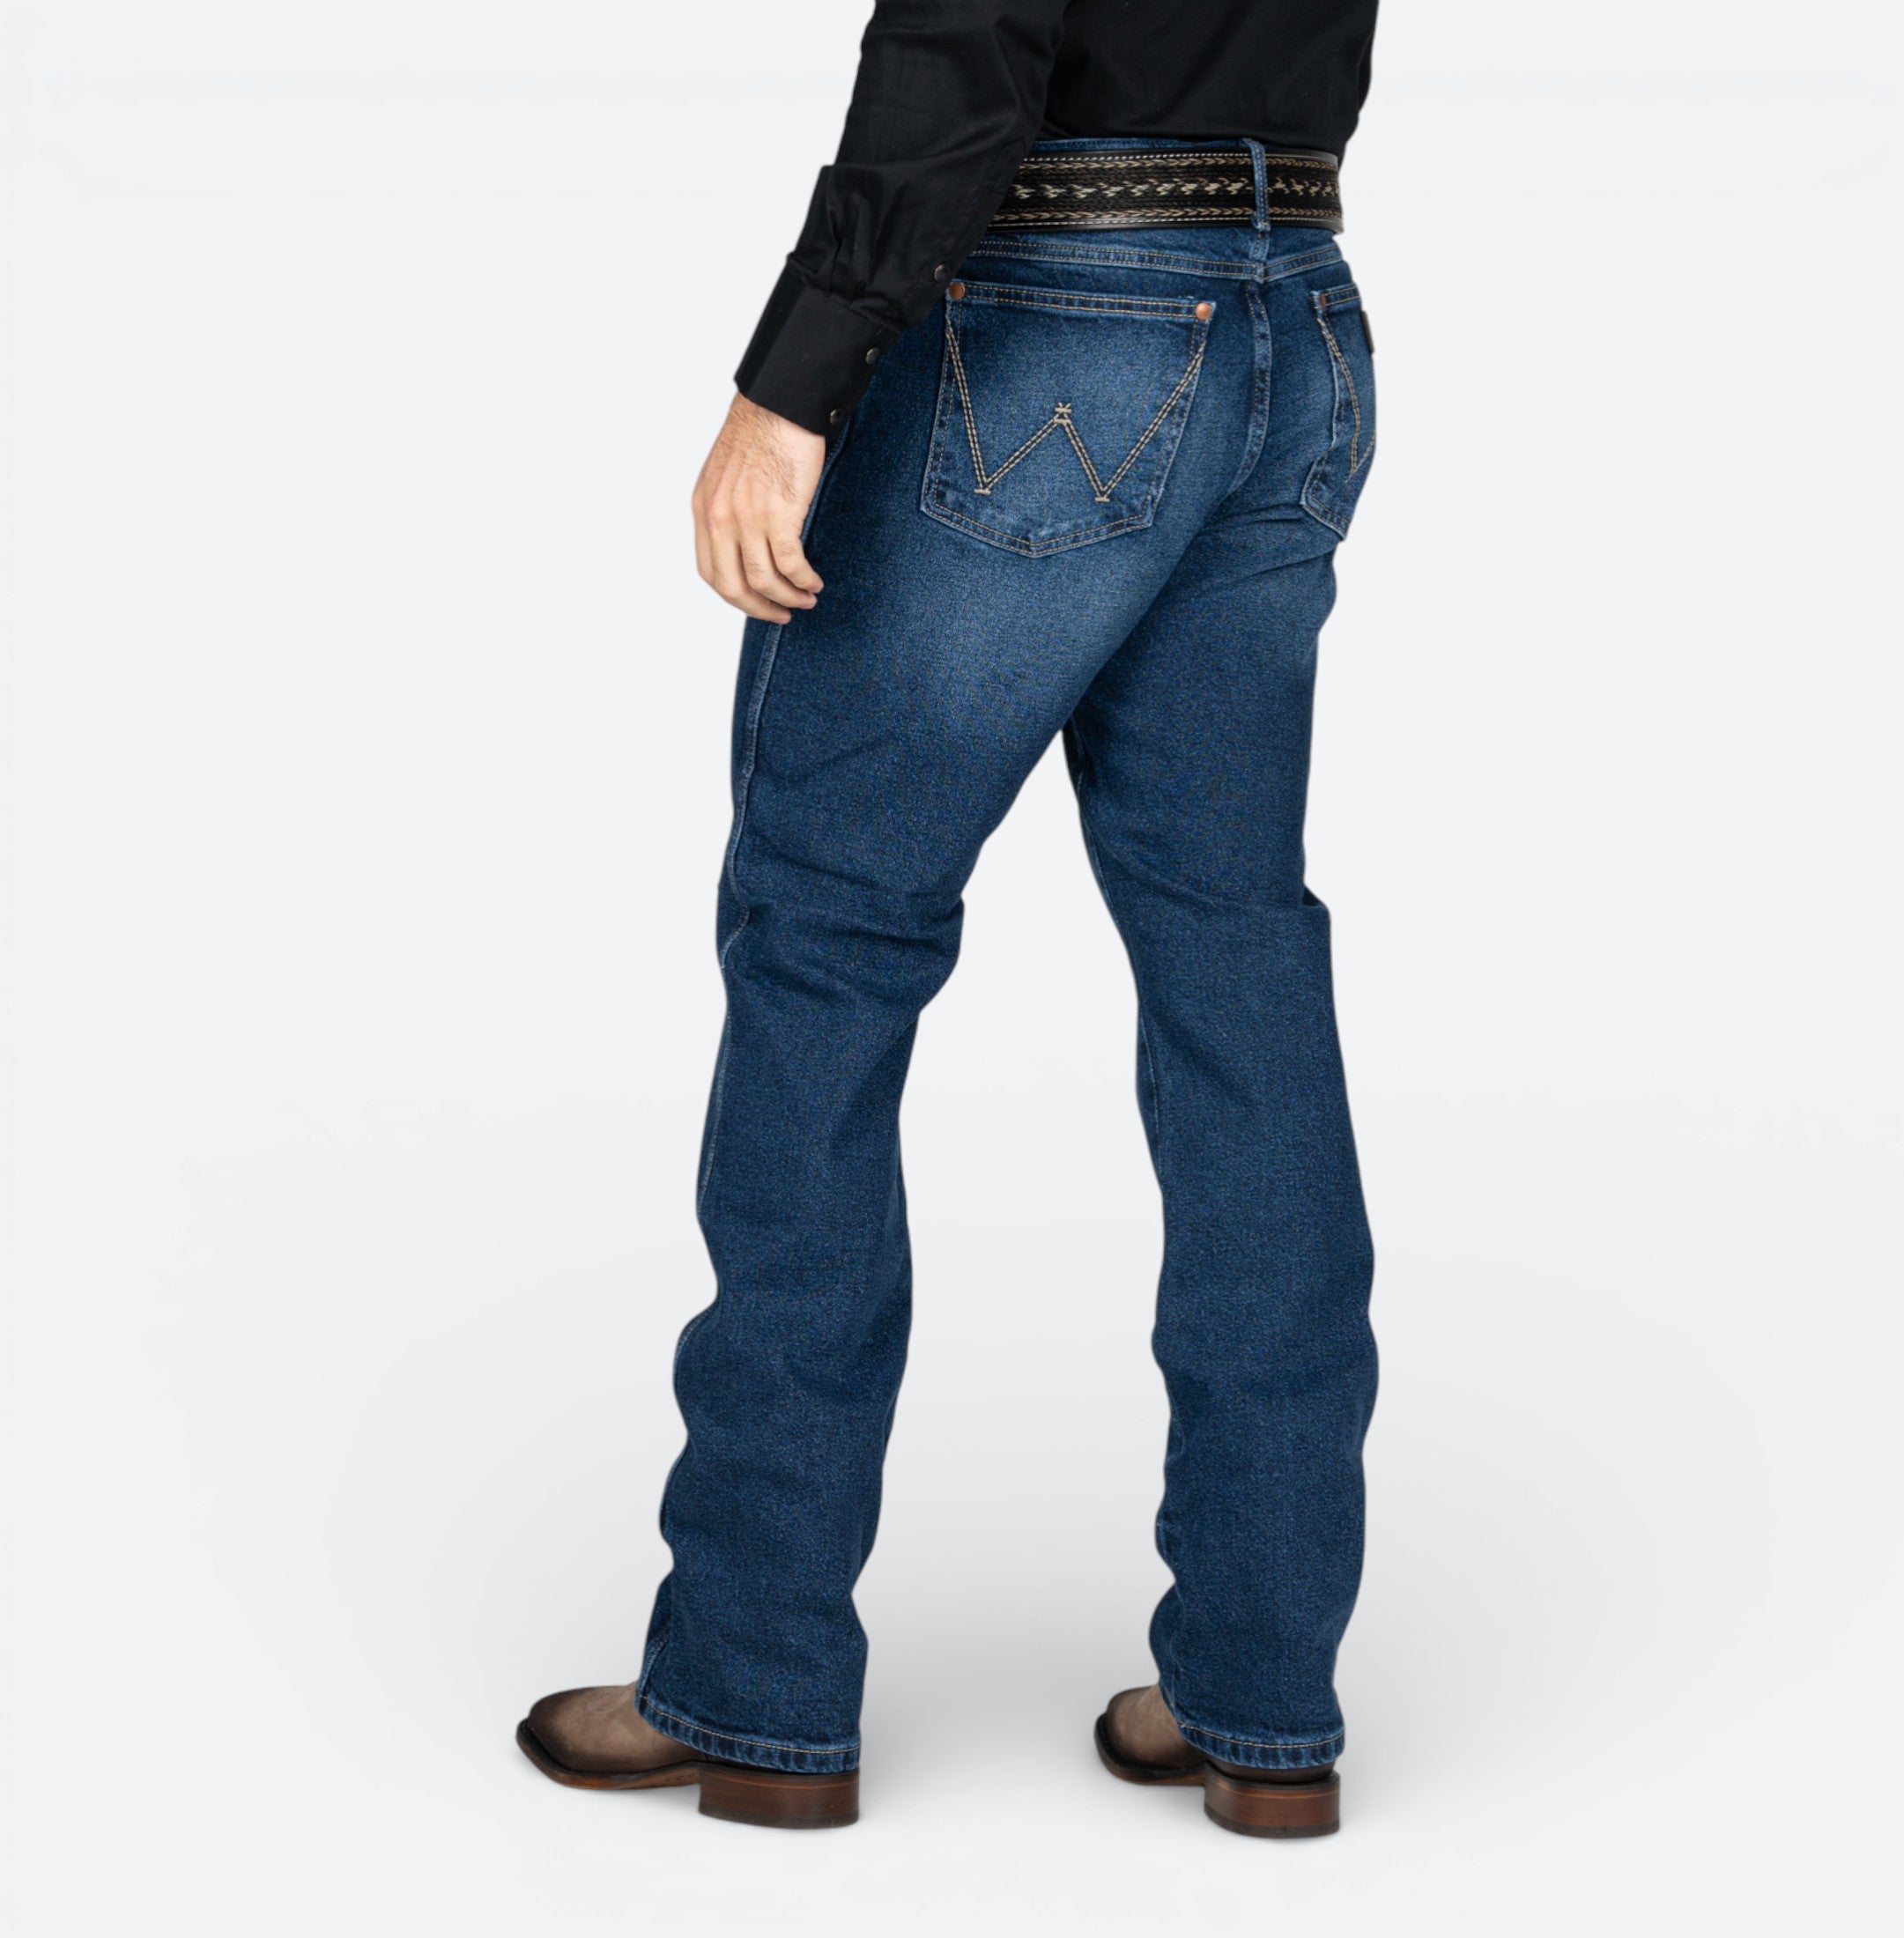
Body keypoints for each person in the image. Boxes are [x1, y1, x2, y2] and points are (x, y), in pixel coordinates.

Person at [518, 0, 1382, 1838]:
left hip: (1057, 312)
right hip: (1295, 312)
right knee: (1237, 959)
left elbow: (969, 32)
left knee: (827, 945)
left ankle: (753, 1682)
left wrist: (792, 376)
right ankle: (1263, 1701)